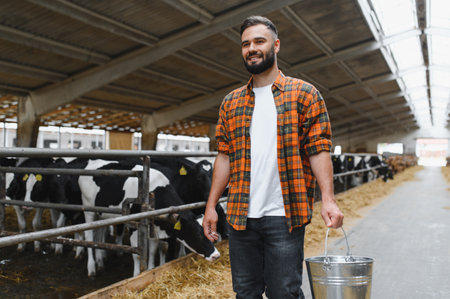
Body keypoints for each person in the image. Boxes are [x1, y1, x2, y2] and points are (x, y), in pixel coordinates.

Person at [202, 15, 344, 299]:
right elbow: (224, 157)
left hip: (285, 215)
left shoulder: (304, 94)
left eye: (259, 41)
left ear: (276, 45)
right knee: (245, 292)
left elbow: (319, 149)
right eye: (245, 44)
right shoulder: (231, 102)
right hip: (241, 216)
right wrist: (211, 206)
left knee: (284, 293)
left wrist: (328, 199)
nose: (251, 48)